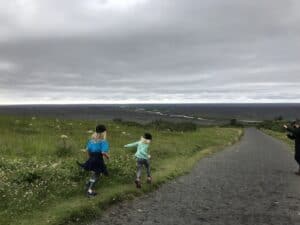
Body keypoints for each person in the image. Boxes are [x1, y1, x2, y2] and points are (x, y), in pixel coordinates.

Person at [77, 124, 109, 197]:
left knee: (94, 174)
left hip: (92, 158)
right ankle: (89, 191)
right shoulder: (103, 142)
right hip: (98, 160)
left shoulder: (91, 141)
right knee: (96, 175)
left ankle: (87, 185)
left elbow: (87, 150)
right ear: (104, 132)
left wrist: (90, 158)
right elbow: (103, 152)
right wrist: (108, 157)